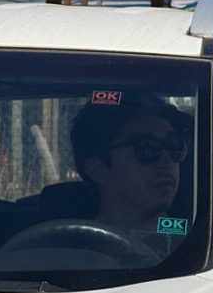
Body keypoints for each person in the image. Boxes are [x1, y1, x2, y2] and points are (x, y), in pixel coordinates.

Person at [70, 97, 191, 256]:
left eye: (175, 146)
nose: (168, 162)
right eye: (147, 148)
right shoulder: (64, 249)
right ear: (97, 170)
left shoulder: (201, 246)